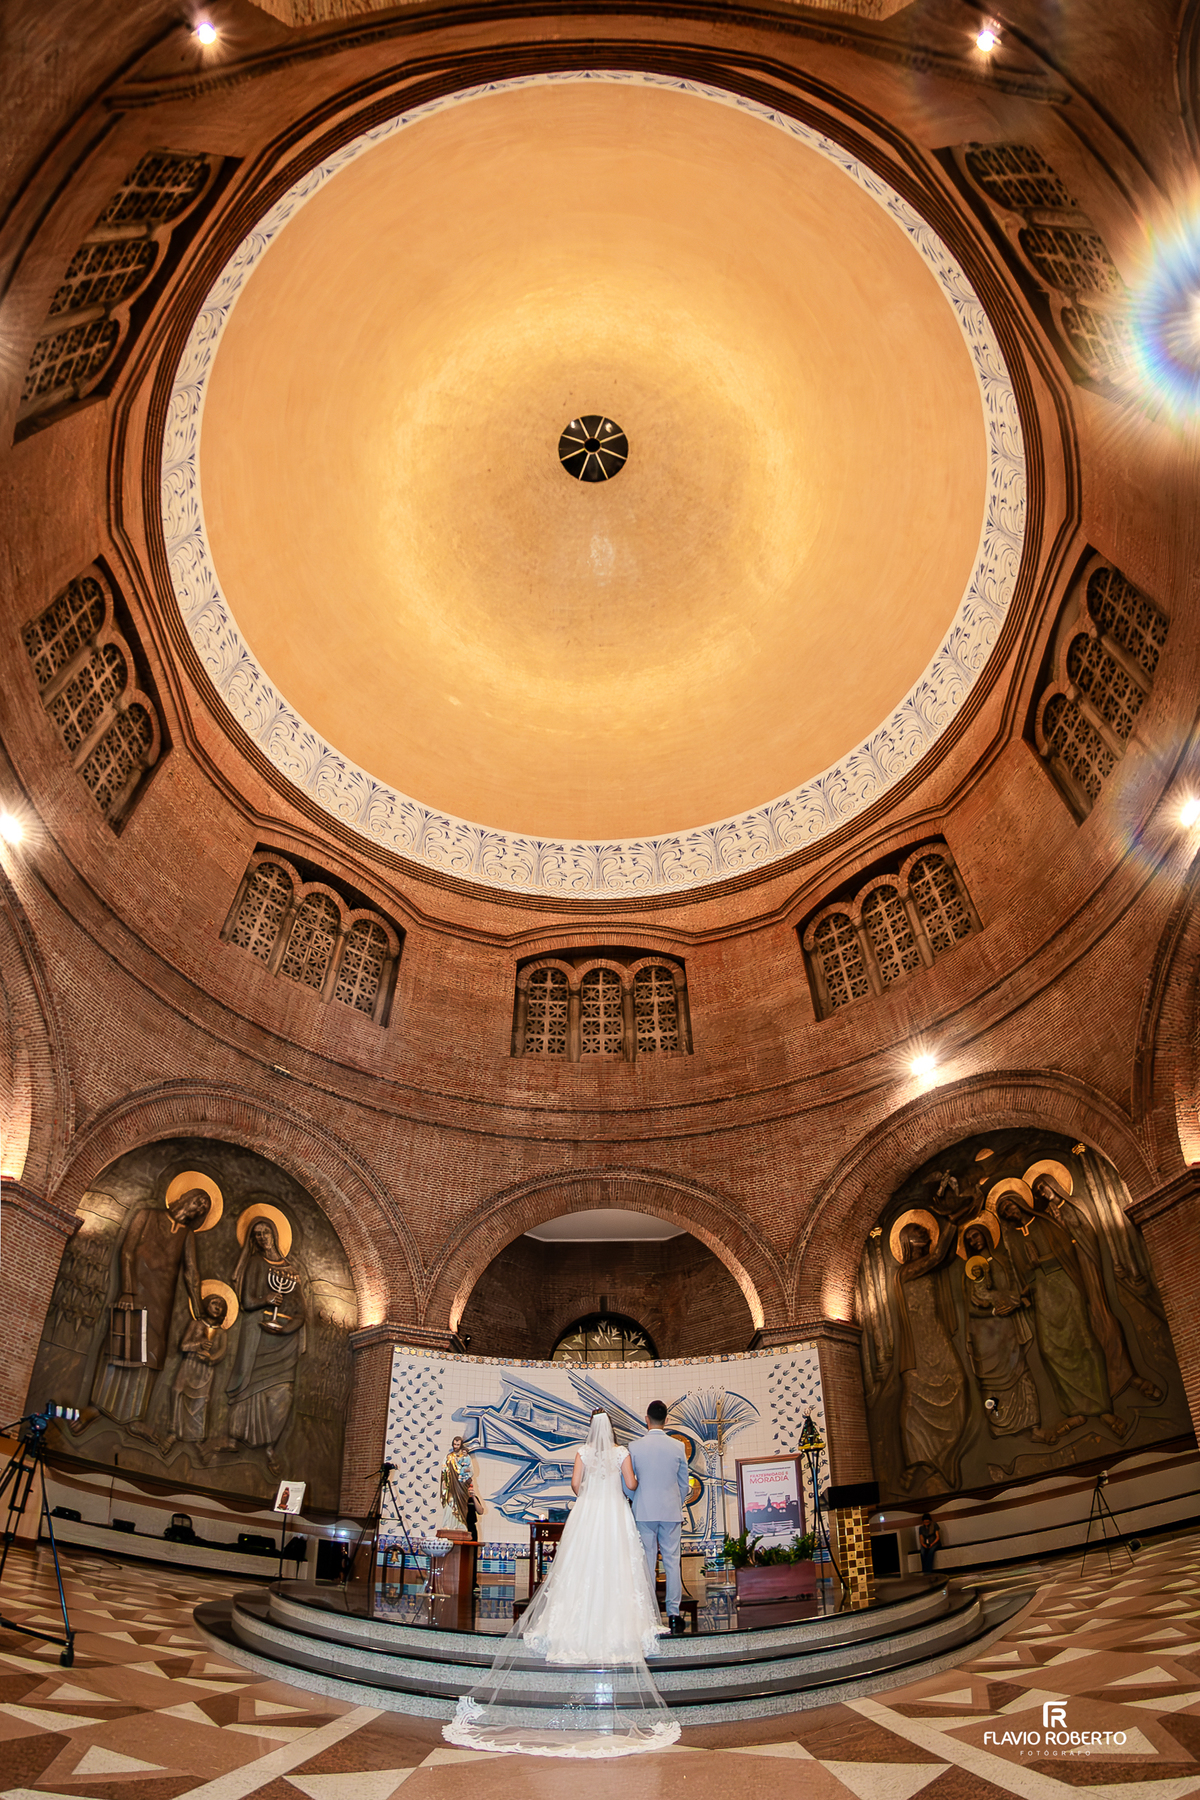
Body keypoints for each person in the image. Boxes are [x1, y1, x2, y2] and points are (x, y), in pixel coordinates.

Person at [443, 1409, 679, 1758]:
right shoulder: (621, 1453)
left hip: (588, 1512)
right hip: (614, 1513)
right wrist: (621, 1484)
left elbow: (575, 1486)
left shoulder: (582, 1452)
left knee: (580, 1567)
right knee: (617, 1566)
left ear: (590, 1428)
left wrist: (592, 1489)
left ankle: (572, 1626)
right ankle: (618, 1625)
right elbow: (631, 1485)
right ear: (611, 1429)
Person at [221, 1217, 306, 1475]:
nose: (261, 1237)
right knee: (249, 1386)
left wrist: (288, 1327)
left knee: (283, 1393)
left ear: (274, 1234)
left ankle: (271, 1446)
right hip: (258, 1334)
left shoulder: (291, 1270)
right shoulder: (256, 1263)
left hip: (283, 1341)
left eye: (265, 1232)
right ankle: (235, 1437)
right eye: (256, 1234)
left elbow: (300, 1310)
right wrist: (266, 1299)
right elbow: (247, 1301)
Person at [625, 1400, 691, 1635]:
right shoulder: (678, 1446)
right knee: (672, 1562)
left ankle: (651, 1615)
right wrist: (675, 1501)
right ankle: (673, 1615)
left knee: (647, 1563)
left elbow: (627, 1484)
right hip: (671, 1511)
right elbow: (684, 1483)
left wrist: (638, 1499)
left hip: (644, 1511)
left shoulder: (634, 1447)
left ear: (647, 1419)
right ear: (666, 1420)